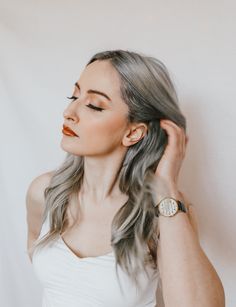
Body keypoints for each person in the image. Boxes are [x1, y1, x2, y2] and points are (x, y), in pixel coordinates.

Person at [26, 49, 225, 307]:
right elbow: (36, 249)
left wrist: (165, 189)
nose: (69, 111)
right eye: (74, 95)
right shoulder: (44, 192)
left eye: (93, 105)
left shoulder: (164, 212)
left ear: (133, 133)